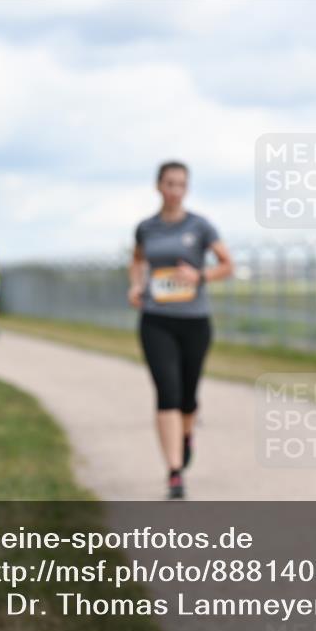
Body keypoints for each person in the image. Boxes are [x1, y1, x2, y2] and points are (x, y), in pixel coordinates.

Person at [129, 161, 233, 499]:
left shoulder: (200, 226)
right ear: (158, 186)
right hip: (156, 319)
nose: (174, 190)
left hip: (194, 321)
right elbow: (137, 260)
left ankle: (186, 436)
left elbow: (227, 265)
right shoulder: (147, 227)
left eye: (181, 184)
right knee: (167, 392)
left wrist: (199, 276)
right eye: (169, 183)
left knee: (188, 397)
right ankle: (174, 472)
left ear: (186, 189)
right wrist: (135, 286)